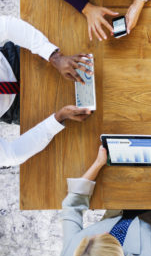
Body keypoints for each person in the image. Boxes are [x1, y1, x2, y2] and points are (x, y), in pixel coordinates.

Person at [0, 16, 92, 167]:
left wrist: (54, 56)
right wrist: (57, 119)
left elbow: (6, 25)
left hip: (18, 60)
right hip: (18, 107)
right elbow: (10, 156)